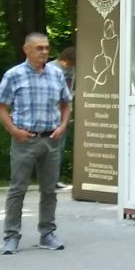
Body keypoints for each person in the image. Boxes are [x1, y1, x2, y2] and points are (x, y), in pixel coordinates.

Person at [0, 32, 73, 254]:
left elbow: (67, 103)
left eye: (47, 48)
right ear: (26, 49)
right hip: (25, 140)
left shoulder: (56, 74)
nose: (45, 52)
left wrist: (63, 125)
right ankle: (11, 236)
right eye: (39, 48)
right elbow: (1, 106)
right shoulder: (14, 75)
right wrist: (14, 131)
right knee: (17, 189)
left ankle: (47, 233)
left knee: (49, 190)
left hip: (51, 139)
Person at [55, 46, 76, 190]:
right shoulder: (51, 69)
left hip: (65, 112)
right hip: (52, 113)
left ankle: (54, 179)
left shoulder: (73, 70)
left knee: (60, 147)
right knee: (51, 148)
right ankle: (49, 179)